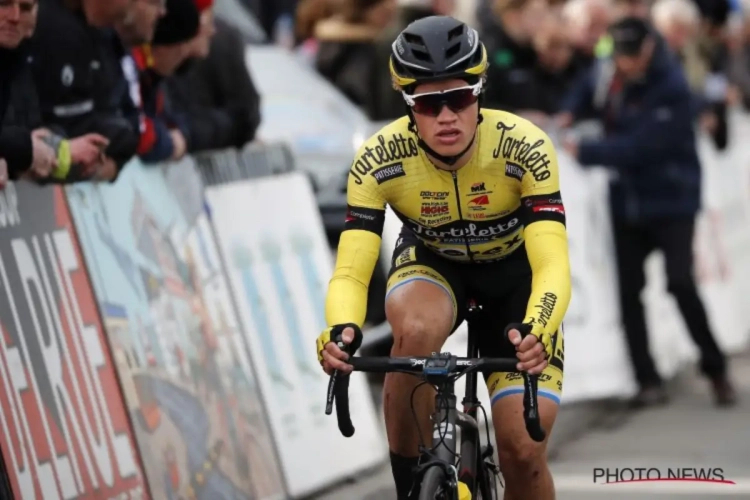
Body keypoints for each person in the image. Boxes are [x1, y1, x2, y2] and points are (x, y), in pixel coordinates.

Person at [316, 15, 570, 500]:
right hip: (434, 263)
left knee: (522, 451)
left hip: (515, 279)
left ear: (480, 92)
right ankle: (412, 487)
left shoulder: (525, 146)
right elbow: (350, 270)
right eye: (430, 104)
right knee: (412, 334)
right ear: (407, 104)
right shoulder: (378, 159)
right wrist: (341, 329)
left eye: (461, 97)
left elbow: (552, 263)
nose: (447, 116)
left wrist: (539, 328)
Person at [560, 17, 736, 408]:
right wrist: (567, 114)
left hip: (672, 200)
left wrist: (587, 152)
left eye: (632, 54)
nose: (625, 63)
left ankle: (715, 368)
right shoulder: (606, 75)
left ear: (649, 48)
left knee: (680, 283)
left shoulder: (672, 85)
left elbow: (644, 147)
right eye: (620, 54)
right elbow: (580, 94)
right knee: (628, 293)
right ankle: (646, 379)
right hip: (627, 203)